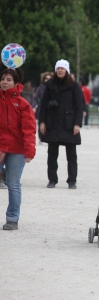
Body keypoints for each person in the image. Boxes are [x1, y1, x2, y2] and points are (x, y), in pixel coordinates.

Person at [0, 68, 36, 230]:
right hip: (0, 146)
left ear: (15, 83)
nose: (4, 82)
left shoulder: (23, 104)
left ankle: (12, 218)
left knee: (13, 184)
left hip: (16, 149)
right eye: (2, 79)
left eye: (8, 79)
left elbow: (29, 129)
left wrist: (29, 151)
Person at [39, 59, 84, 189]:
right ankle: (52, 180)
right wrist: (42, 122)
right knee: (52, 154)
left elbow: (79, 106)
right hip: (53, 122)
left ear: (67, 70)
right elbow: (43, 106)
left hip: (68, 124)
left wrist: (77, 124)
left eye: (62, 68)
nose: (60, 70)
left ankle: (72, 181)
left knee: (71, 155)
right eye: (58, 68)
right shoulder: (49, 85)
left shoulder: (74, 86)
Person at [33, 72, 53, 142]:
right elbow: (35, 98)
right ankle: (41, 137)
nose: (47, 80)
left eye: (49, 79)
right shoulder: (40, 88)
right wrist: (34, 107)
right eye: (46, 78)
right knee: (41, 122)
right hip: (41, 108)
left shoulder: (54, 88)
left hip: (51, 108)